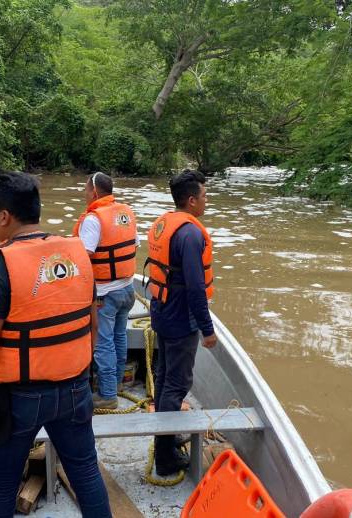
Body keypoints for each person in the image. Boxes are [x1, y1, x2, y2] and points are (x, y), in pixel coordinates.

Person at [0, 171, 111, 518]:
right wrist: (79, 376)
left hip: (17, 399)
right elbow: (93, 327)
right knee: (86, 474)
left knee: (2, 487)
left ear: (4, 217)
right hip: (74, 389)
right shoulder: (77, 254)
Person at [144, 170, 217, 476]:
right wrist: (207, 329)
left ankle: (166, 436)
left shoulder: (166, 223)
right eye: (204, 196)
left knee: (164, 379)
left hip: (162, 311)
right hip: (180, 319)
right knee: (177, 384)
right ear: (191, 200)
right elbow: (196, 288)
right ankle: (165, 458)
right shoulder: (190, 235)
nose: (206, 200)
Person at [72, 172, 139, 410]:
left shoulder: (93, 219)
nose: (84, 193)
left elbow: (83, 255)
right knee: (119, 337)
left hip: (104, 294)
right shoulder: (126, 212)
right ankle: (117, 383)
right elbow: (134, 245)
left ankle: (108, 395)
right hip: (127, 289)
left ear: (94, 191)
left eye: (85, 189)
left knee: (103, 343)